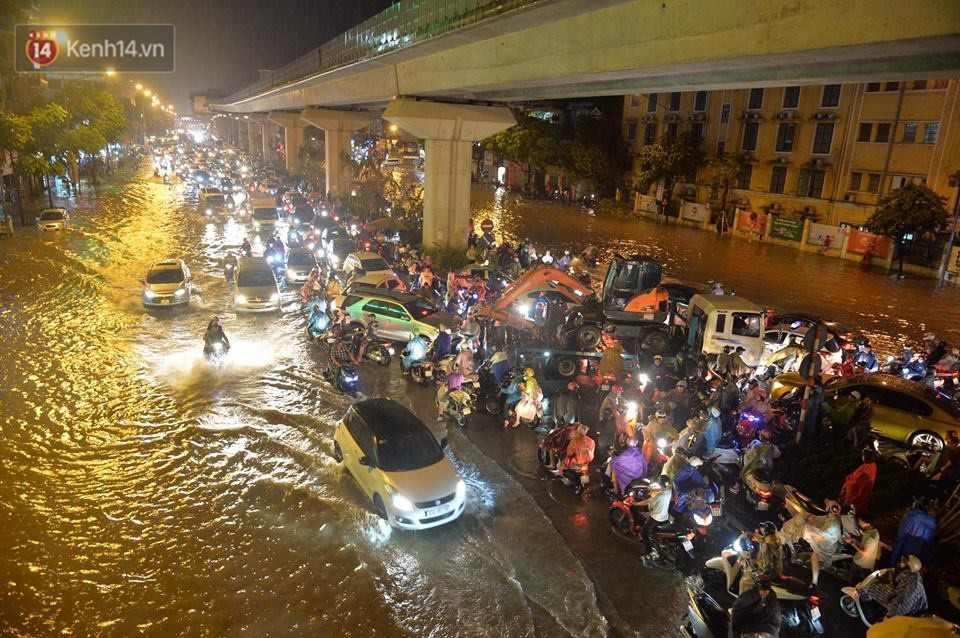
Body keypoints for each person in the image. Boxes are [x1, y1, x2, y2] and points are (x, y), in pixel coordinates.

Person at [857, 555, 928, 619]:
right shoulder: (911, 574)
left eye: (904, 562)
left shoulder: (910, 580)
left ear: (908, 567)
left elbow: (904, 601)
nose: (901, 563)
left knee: (875, 587)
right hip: (908, 601)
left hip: (908, 610)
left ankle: (875, 615)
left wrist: (890, 614)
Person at [891, 498, 937, 565]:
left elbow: (900, 537)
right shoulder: (932, 521)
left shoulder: (909, 516)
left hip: (904, 552)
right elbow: (929, 543)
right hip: (918, 558)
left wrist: (893, 560)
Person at [638, 476, 673, 563]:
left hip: (657, 518)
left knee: (644, 532)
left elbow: (647, 502)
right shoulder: (669, 491)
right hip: (666, 516)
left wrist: (635, 503)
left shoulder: (658, 497)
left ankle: (649, 552)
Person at [839, 448, 879, 514]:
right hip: (857, 498)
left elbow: (853, 482)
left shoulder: (866, 470)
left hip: (853, 498)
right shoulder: (871, 467)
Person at [843, 516, 881, 582]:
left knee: (854, 581)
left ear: (868, 524)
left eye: (861, 522)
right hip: (866, 563)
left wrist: (852, 543)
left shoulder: (871, 538)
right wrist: (854, 539)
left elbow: (864, 553)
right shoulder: (873, 531)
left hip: (861, 563)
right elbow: (863, 544)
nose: (859, 523)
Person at [561, 424, 595, 491]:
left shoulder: (574, 441)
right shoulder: (591, 441)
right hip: (586, 463)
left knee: (563, 464)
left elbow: (569, 453)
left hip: (577, 463)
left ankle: (561, 474)